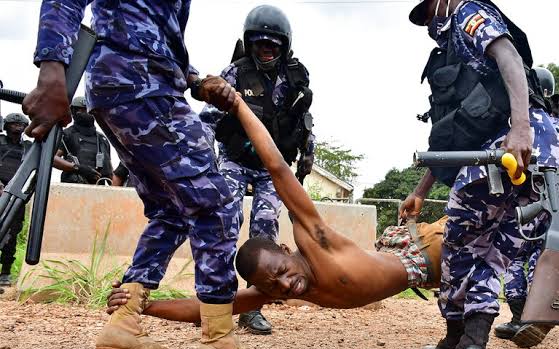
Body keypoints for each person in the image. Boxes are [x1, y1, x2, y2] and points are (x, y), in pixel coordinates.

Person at [25, 0, 272, 349]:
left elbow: (155, 34)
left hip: (127, 85)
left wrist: (195, 81)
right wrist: (52, 69)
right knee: (218, 204)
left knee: (171, 211)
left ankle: (123, 322)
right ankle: (218, 341)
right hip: (141, 86)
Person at [106, 98, 446, 329]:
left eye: (281, 271)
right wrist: (141, 305)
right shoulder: (274, 288)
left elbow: (278, 168)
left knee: (494, 227)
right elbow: (207, 310)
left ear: (286, 250)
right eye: (273, 285)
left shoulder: (317, 243)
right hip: (417, 265)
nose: (286, 285)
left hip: (430, 249)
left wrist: (238, 105)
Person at [401, 0, 559, 349]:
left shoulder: (467, 12)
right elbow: (455, 131)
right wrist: (422, 190)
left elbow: (507, 54)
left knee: (459, 247)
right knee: (493, 255)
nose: (429, 21)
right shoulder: (452, 52)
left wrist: (520, 128)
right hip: (532, 152)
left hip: (508, 147)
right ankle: (471, 344)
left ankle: (458, 338)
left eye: (428, 12)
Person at [199, 5, 315, 336]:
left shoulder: (296, 75)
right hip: (235, 161)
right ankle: (218, 303)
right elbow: (208, 119)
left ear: (283, 46)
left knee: (265, 237)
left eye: (272, 46)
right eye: (260, 44)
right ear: (250, 44)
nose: (266, 51)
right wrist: (205, 161)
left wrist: (309, 152)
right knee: (224, 226)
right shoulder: (234, 73)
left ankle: (252, 309)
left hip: (271, 169)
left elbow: (305, 118)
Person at [495, 67, 559, 348]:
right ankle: (532, 316)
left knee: (514, 255)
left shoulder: (521, 119)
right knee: (548, 252)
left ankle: (524, 315)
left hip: (532, 193)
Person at [0, 114, 32, 287]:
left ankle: (5, 271)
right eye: (14, 124)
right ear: (6, 126)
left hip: (16, 195)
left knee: (12, 233)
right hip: (1, 191)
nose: (18, 127)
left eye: (21, 124)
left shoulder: (29, 147)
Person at [57, 96, 113, 185]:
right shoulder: (67, 134)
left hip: (99, 190)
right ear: (73, 112)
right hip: (73, 188)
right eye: (81, 110)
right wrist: (78, 168)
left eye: (87, 110)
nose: (85, 113)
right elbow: (52, 159)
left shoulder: (102, 139)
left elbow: (110, 171)